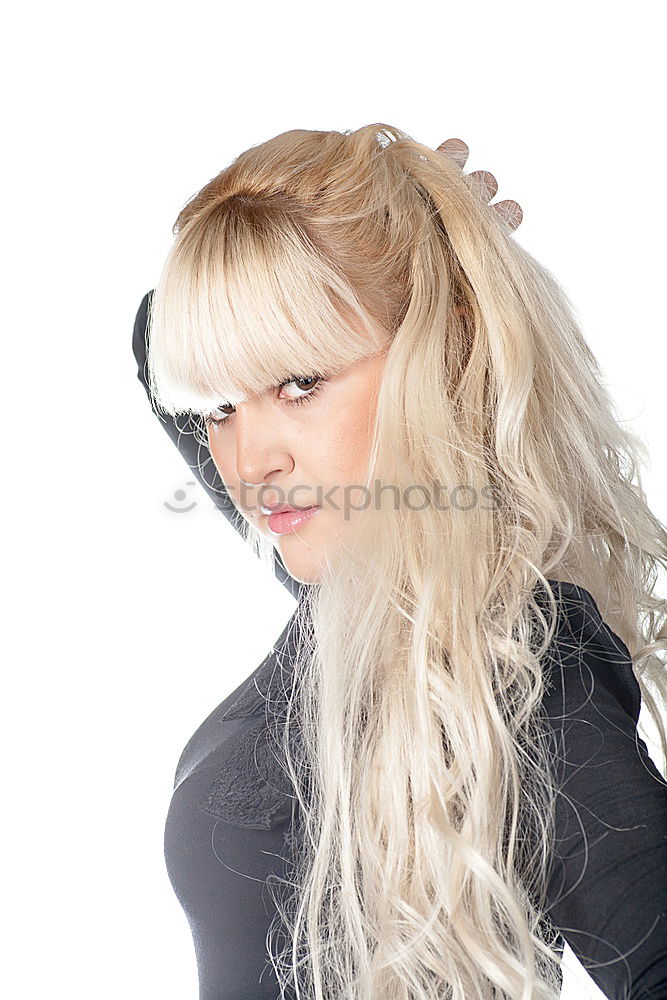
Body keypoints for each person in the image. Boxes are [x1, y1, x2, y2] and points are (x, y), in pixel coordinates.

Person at [132, 125, 667, 1000]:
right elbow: (150, 337)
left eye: (299, 383)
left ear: (442, 351)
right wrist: (425, 229)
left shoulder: (514, 661)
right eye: (221, 404)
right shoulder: (347, 589)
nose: (246, 462)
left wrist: (445, 263)